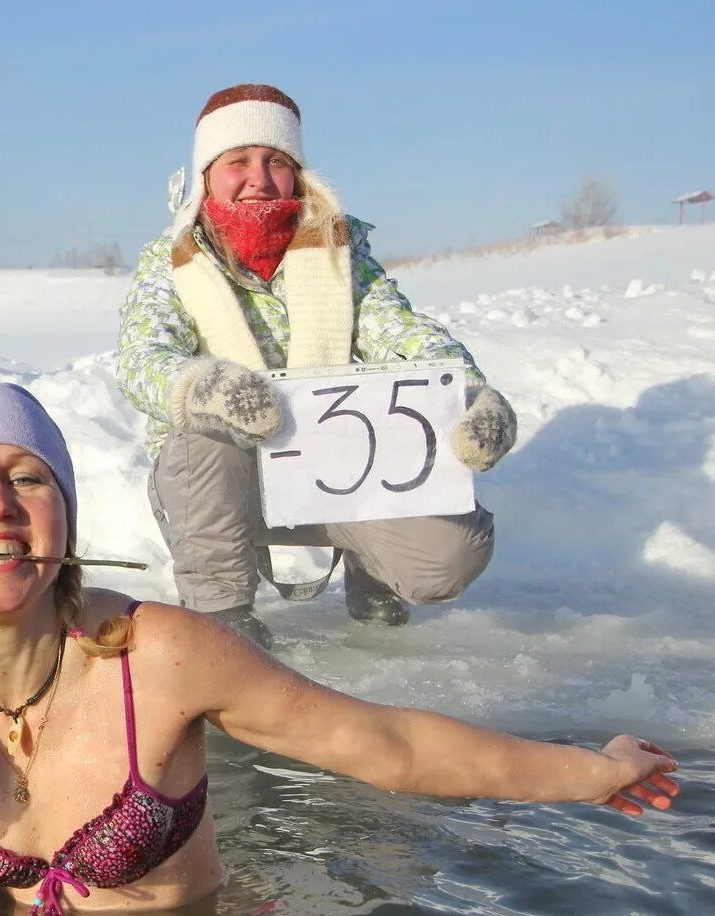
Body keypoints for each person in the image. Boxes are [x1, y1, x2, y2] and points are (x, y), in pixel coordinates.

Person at [0, 382, 677, 916]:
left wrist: (592, 774)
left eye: (28, 477)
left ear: (65, 520)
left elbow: (384, 746)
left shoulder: (158, 653)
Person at [116, 83, 518, 640]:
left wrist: (469, 394)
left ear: (297, 174)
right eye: (237, 161)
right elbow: (142, 357)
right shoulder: (171, 261)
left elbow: (404, 334)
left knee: (444, 558)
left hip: (331, 470)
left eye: (276, 161)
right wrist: (201, 388)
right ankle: (222, 614)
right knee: (202, 427)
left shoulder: (341, 253)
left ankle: (374, 567)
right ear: (208, 173)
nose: (258, 177)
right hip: (223, 482)